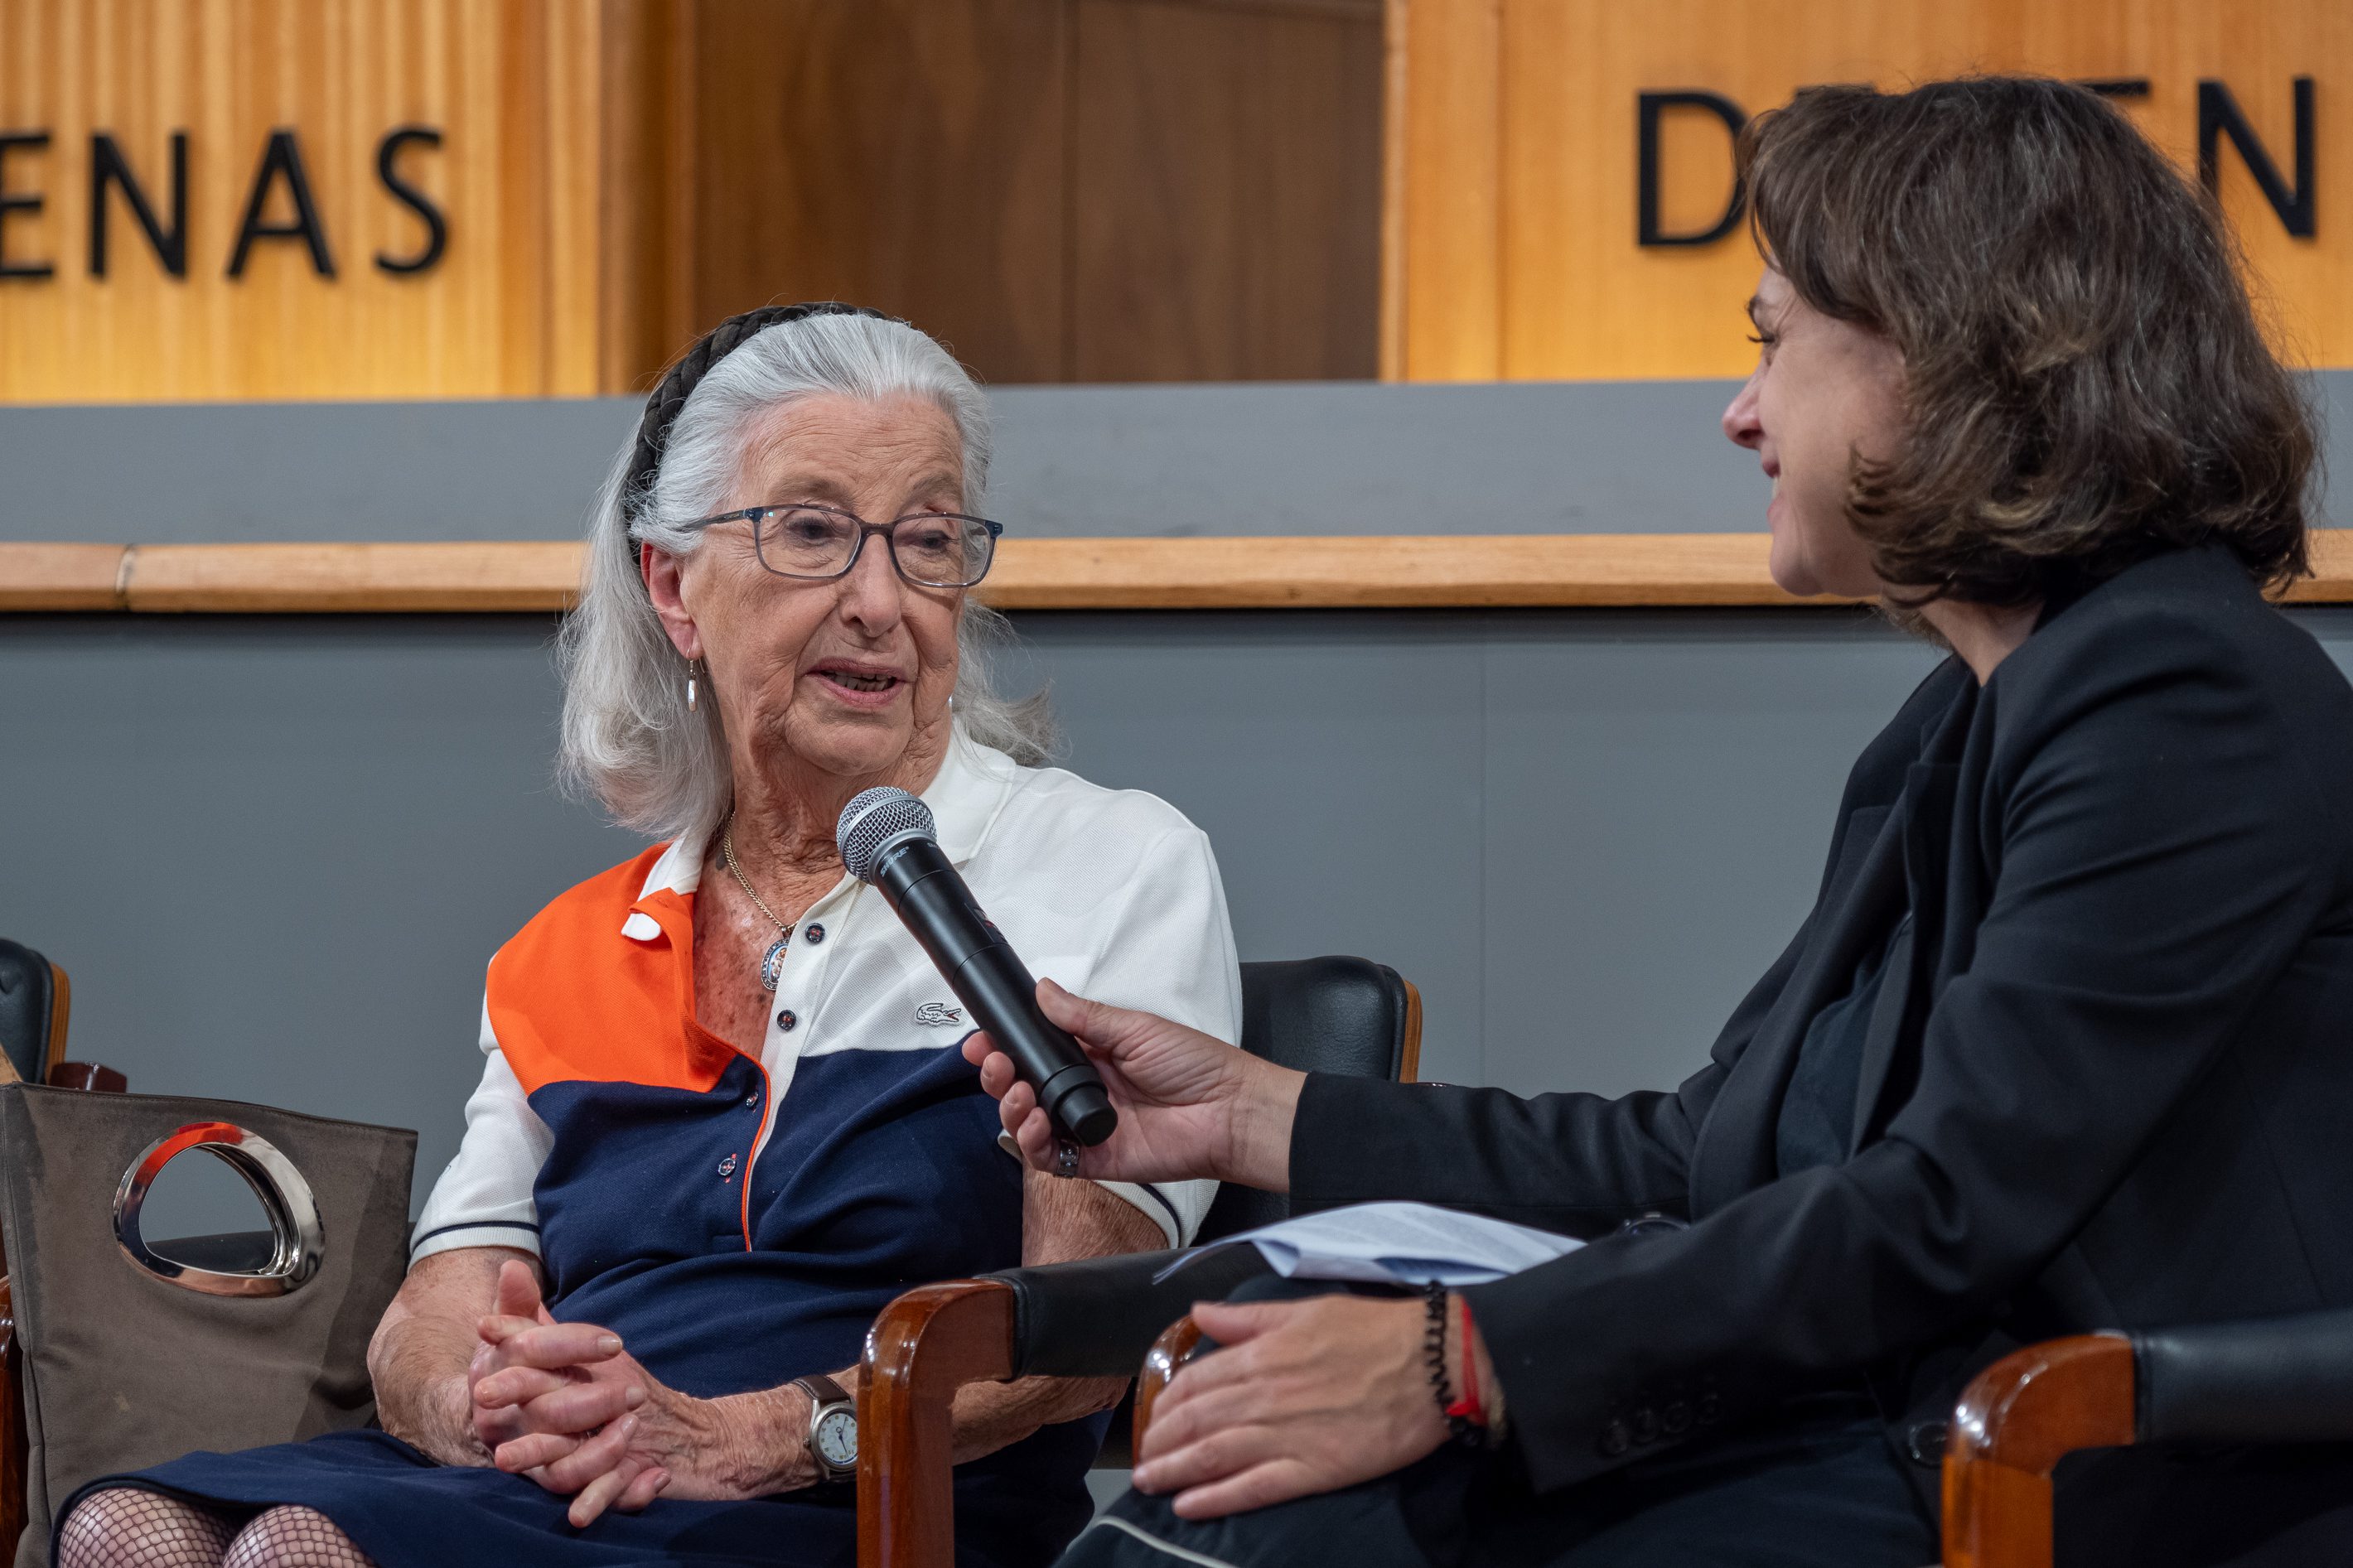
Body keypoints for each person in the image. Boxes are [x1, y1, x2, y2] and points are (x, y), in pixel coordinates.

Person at [970, 78, 2353, 1567]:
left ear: (1954, 360)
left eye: (1773, 342)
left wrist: (1462, 1358)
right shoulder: (1961, 720)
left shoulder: (2179, 694)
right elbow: (1707, 1150)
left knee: (1304, 1527)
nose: (1740, 409)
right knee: (1261, 1513)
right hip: (1877, 1431)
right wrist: (1251, 1110)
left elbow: (1947, 1202)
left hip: (2064, 1474)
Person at [57, 305, 1243, 1568]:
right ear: (674, 585)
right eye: (813, 532)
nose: (882, 601)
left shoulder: (1106, 866)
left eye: (930, 540)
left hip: (870, 1500)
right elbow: (441, 1302)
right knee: (127, 1529)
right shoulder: (564, 949)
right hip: (567, 1484)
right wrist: (496, 1408)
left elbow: (1083, 1334)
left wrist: (755, 1435)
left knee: (298, 1549)